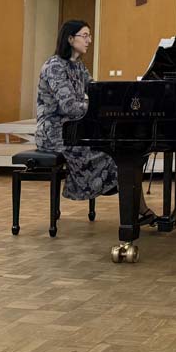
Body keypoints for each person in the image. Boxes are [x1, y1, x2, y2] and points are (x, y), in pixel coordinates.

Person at [35, 20, 155, 222]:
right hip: (55, 132)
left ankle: (137, 209)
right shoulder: (54, 66)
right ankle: (136, 211)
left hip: (75, 128)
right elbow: (69, 106)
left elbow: (96, 91)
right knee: (112, 155)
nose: (89, 40)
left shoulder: (78, 66)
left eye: (89, 36)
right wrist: (99, 108)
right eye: (85, 35)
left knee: (122, 151)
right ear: (70, 39)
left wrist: (117, 101)